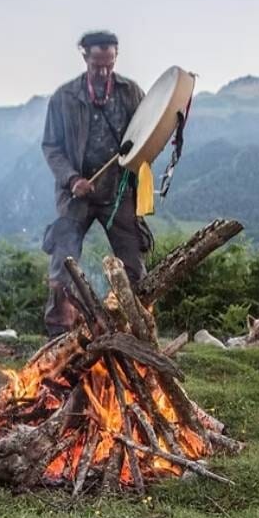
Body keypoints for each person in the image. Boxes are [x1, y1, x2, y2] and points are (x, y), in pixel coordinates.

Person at [41, 30, 151, 337]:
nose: (103, 72)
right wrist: (72, 178)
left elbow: (147, 133)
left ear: (115, 58)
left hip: (118, 192)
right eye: (97, 66)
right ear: (85, 58)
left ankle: (131, 331)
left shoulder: (131, 93)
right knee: (63, 260)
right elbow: (51, 146)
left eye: (109, 64)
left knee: (132, 265)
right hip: (77, 194)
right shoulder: (64, 98)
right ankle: (60, 335)